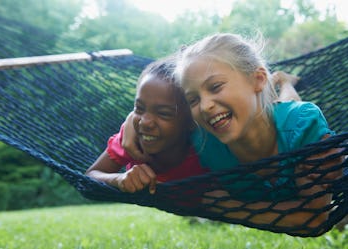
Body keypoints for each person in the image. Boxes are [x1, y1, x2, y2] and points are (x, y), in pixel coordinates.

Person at [121, 33, 342, 234]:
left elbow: (314, 218)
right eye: (193, 99)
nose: (205, 105)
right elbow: (160, 112)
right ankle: (280, 83)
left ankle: (283, 82)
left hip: (291, 123)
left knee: (287, 110)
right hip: (263, 117)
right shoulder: (202, 140)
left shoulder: (304, 125)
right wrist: (131, 121)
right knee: (273, 110)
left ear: (258, 79)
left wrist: (233, 208)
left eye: (215, 87)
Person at [85, 56, 209, 194]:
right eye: (139, 108)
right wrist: (118, 179)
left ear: (192, 121)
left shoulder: (206, 145)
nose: (145, 122)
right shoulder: (132, 140)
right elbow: (91, 175)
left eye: (163, 113)